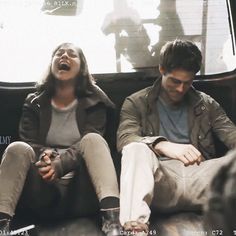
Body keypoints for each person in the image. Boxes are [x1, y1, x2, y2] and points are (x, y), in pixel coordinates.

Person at [117, 39, 236, 235]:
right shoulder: (136, 102)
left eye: (187, 83)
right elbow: (125, 138)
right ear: (161, 69)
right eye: (175, 81)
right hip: (161, 182)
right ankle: (135, 229)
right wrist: (162, 145)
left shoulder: (206, 104)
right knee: (134, 149)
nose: (181, 89)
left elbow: (232, 135)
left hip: (202, 178)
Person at [0, 43, 121, 236]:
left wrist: (61, 165)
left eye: (71, 54)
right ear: (51, 63)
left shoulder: (96, 101)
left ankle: (113, 223)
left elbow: (91, 139)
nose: (64, 56)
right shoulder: (34, 102)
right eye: (59, 53)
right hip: (43, 184)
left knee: (93, 139)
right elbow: (29, 141)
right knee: (17, 148)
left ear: (82, 68)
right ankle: (2, 225)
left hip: (81, 186)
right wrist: (46, 155)